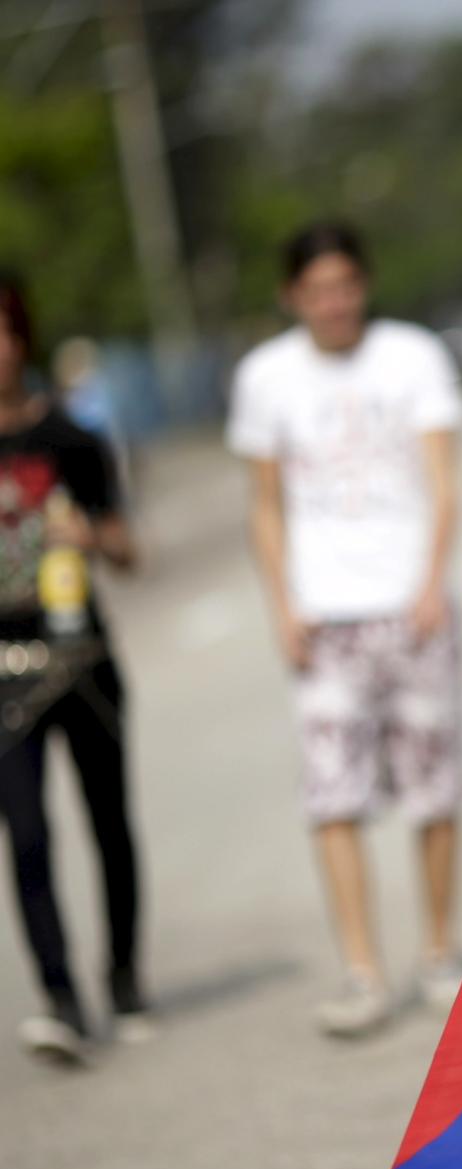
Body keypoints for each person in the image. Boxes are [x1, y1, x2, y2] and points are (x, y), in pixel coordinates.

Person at [228, 223, 462, 1038]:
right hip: (325, 616)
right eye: (316, 290)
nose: (333, 303)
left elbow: (443, 480)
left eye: (345, 286)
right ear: (293, 296)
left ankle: (438, 952)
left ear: (363, 284)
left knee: (433, 789)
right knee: (335, 795)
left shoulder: (412, 357)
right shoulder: (266, 377)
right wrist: (282, 606)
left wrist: (432, 582)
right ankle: (363, 971)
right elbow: (264, 503)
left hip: (413, 605)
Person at [0, 274, 145, 1065]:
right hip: (4, 676)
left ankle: (123, 976)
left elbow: (131, 552)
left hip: (82, 660)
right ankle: (59, 998)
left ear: (22, 338)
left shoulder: (71, 438)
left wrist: (92, 538)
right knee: (25, 836)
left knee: (108, 824)